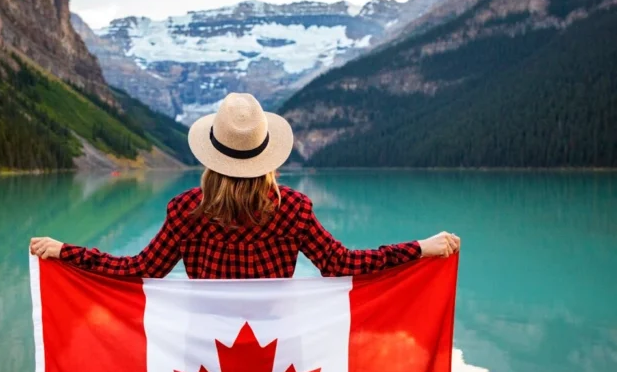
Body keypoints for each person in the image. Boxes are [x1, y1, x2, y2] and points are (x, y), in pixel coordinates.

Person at [30, 93, 460, 278]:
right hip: (278, 349)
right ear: (266, 155)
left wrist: (66, 252)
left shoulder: (186, 211)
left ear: (211, 155)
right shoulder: (293, 208)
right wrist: (421, 248)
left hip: (204, 352)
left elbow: (139, 270)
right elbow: (341, 263)